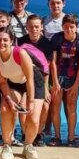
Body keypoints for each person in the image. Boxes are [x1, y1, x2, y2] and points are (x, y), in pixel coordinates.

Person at [0, 29, 45, 159]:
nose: (1, 42)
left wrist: (30, 102)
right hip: (14, 84)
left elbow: (30, 78)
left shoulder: (20, 53)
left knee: (33, 118)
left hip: (33, 82)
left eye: (5, 40)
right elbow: (3, 82)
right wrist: (9, 100)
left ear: (11, 41)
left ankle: (28, 145)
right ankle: (7, 146)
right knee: (5, 108)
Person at [49, 14, 79, 147]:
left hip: (72, 77)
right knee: (55, 107)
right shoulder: (57, 38)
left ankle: (71, 137)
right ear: (62, 26)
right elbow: (52, 61)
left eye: (71, 27)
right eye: (66, 26)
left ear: (76, 27)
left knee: (71, 107)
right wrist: (55, 83)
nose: (68, 29)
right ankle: (57, 136)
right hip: (58, 76)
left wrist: (76, 84)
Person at [21, 14, 54, 145]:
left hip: (40, 81)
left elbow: (48, 68)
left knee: (45, 106)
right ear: (26, 27)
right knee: (23, 105)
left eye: (36, 27)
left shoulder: (47, 44)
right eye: (31, 27)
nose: (34, 29)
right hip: (23, 80)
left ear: (41, 27)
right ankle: (25, 132)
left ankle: (38, 133)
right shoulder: (20, 42)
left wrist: (46, 89)